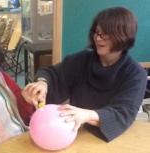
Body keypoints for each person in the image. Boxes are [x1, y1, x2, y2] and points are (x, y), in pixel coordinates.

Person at [22, 7, 147, 142]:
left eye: (105, 34)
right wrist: (42, 83)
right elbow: (53, 74)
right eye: (97, 32)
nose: (98, 38)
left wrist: (87, 115)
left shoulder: (136, 75)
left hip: (114, 138)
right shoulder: (82, 60)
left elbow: (123, 114)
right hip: (77, 132)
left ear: (123, 37)